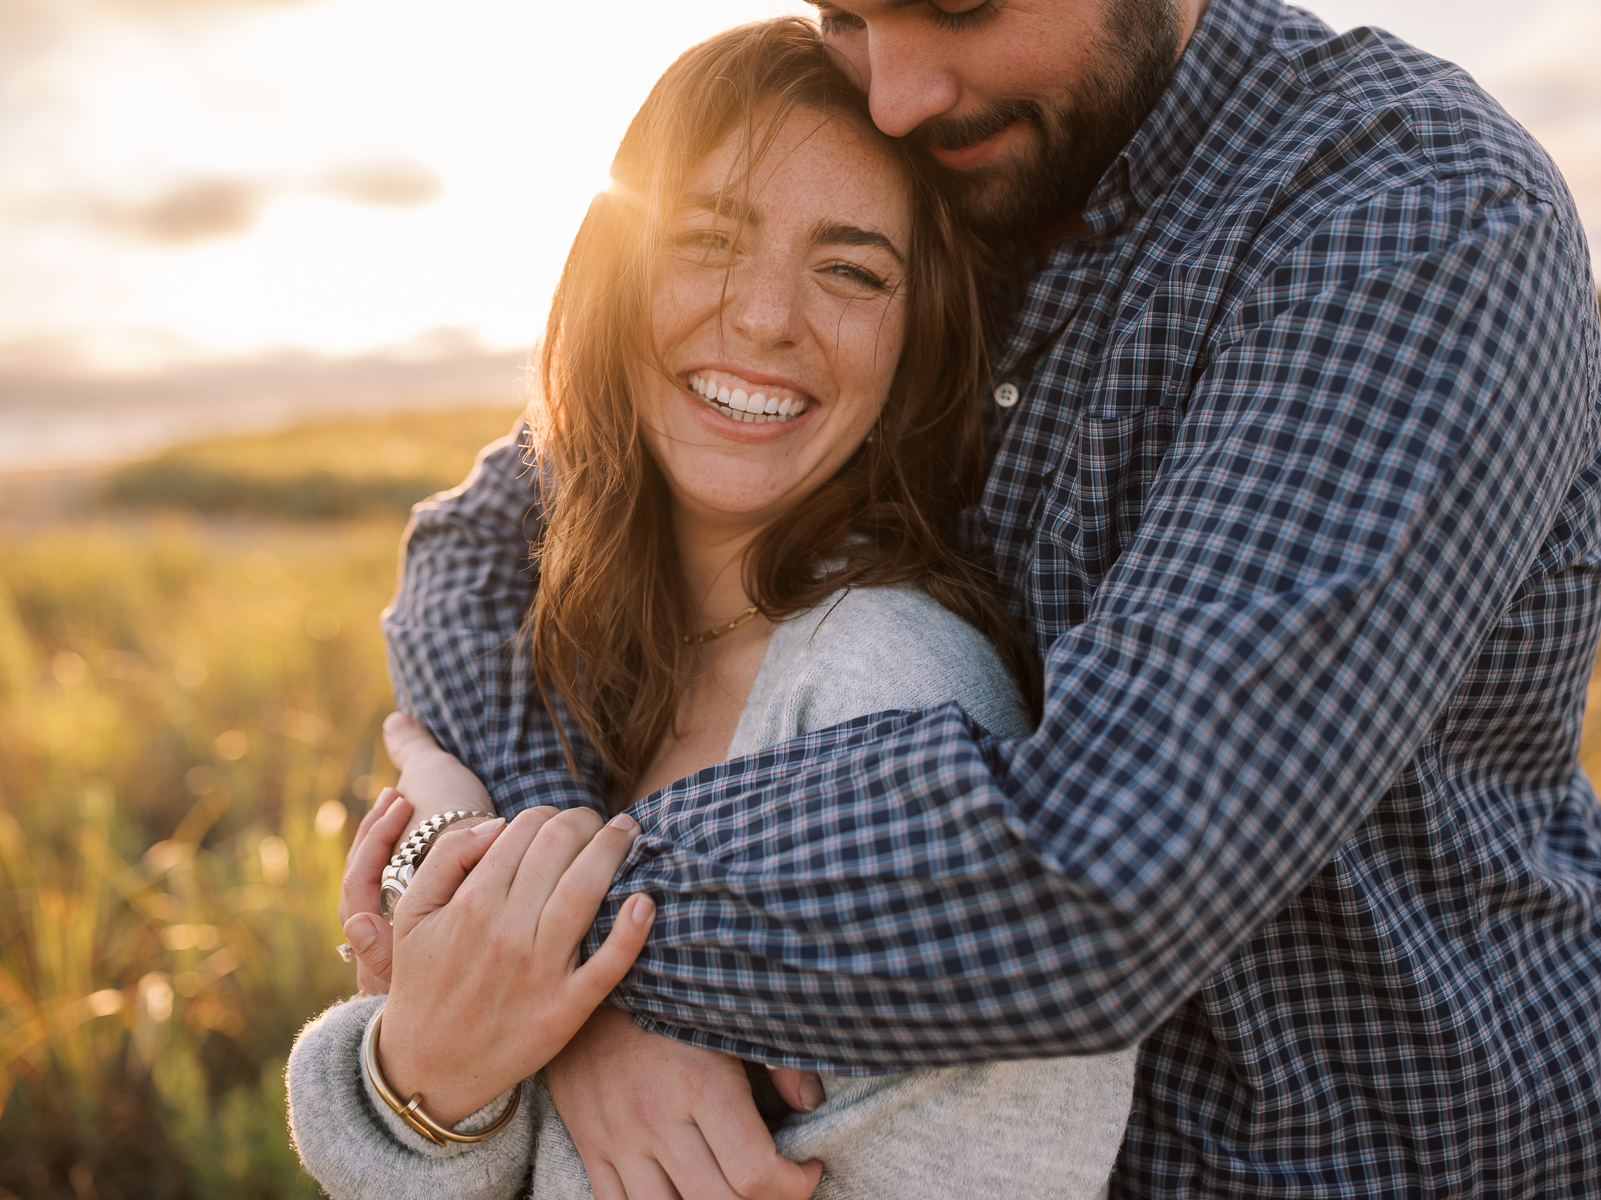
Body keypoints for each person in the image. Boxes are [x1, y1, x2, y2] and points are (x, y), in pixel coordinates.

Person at [371, 0, 1601, 1197]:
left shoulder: (1402, 213)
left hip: (1383, 1146)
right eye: (844, 14)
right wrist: (515, 906)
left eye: (958, 7)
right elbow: (491, 540)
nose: (892, 91)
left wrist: (559, 957)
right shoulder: (947, 159)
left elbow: (1103, 866)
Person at [287, 20, 1138, 1200]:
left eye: (849, 270)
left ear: (916, 337)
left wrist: (538, 985)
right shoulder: (561, 652)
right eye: (706, 241)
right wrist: (420, 1069)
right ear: (613, 270)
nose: (764, 318)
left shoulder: (888, 690)